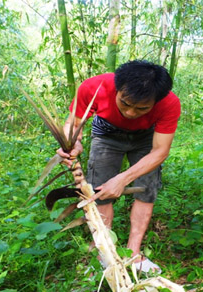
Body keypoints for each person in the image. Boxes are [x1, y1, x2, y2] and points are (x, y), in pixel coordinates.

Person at [57, 60, 181, 273]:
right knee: (100, 190)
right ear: (117, 88)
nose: (131, 113)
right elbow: (73, 124)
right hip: (107, 133)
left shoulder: (169, 103)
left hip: (146, 138)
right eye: (125, 103)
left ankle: (133, 253)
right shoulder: (93, 87)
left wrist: (123, 179)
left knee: (146, 189)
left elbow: (160, 151)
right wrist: (72, 143)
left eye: (141, 108)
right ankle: (105, 250)